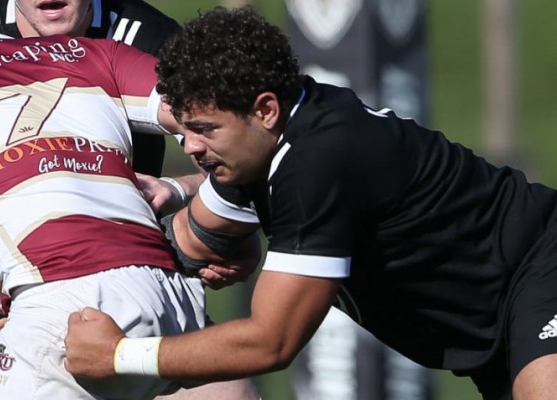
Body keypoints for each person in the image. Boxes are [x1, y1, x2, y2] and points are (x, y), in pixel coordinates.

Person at [63, 6, 557, 400]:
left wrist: (119, 354)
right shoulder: (252, 151)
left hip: (541, 267)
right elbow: (189, 243)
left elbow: (270, 341)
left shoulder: (318, 161)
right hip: (492, 328)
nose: (189, 147)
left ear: (265, 110)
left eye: (204, 130)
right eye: (186, 129)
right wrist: (53, 299)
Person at [0, 0, 262, 399]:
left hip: (54, 295)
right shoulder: (97, 54)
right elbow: (240, 125)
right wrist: (228, 219)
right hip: (164, 289)